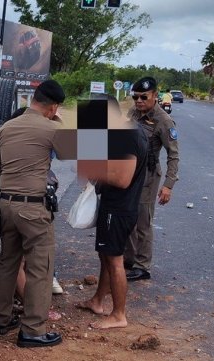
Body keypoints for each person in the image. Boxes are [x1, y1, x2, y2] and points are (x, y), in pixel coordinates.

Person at [0, 79, 67, 347]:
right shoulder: (51, 128)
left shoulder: (6, 128)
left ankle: (0, 319)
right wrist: (60, 123)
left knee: (8, 261)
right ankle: (33, 330)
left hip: (6, 205)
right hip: (33, 208)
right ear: (53, 107)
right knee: (40, 267)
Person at [76, 97, 148, 329]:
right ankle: (98, 301)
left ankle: (119, 314)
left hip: (118, 210)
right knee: (106, 256)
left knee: (115, 261)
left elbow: (122, 179)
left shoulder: (127, 137)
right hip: (118, 207)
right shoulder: (130, 131)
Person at [124, 77, 179, 281]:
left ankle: (142, 265)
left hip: (147, 173)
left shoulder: (163, 120)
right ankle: (129, 259)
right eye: (135, 96)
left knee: (142, 220)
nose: (138, 101)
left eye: (143, 97)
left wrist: (168, 185)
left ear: (155, 96)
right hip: (128, 170)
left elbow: (173, 155)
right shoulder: (132, 112)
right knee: (128, 216)